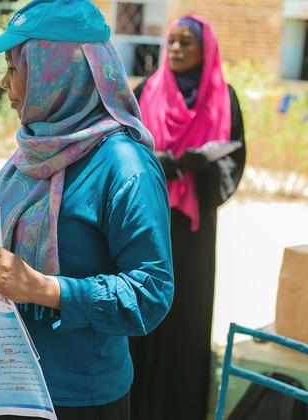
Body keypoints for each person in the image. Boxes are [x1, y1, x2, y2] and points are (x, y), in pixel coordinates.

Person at [0, 1, 174, 419]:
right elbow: (3, 257)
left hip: (76, 399)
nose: (6, 84)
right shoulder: (31, 154)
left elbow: (151, 293)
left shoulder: (124, 166)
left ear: (55, 70)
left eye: (15, 67)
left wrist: (45, 289)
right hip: (3, 385)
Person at [128, 15, 246, 420]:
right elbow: (125, 150)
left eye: (186, 43)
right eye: (172, 41)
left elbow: (234, 160)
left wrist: (202, 168)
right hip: (145, 222)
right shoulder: (145, 92)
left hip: (193, 230)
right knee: (141, 311)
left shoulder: (223, 98)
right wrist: (164, 164)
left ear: (205, 50)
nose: (176, 49)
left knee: (186, 317)